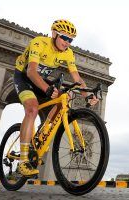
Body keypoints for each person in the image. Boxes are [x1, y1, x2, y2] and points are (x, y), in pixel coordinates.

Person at [13, 19, 99, 176]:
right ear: (54, 34)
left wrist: (88, 95)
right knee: (32, 109)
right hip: (24, 76)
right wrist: (46, 89)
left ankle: (43, 130)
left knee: (66, 96)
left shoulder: (68, 53)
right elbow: (31, 72)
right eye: (64, 37)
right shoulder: (39, 43)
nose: (67, 42)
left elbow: (77, 78)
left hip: (40, 79)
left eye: (70, 40)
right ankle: (23, 161)